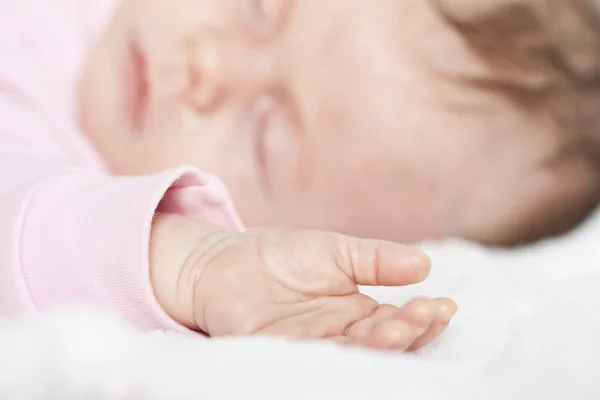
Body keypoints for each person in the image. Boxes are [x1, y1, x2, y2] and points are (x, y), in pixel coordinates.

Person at [0, 0, 597, 350]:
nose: (210, 64)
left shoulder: (70, 194)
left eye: (266, 137)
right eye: (260, 9)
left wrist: (189, 265)